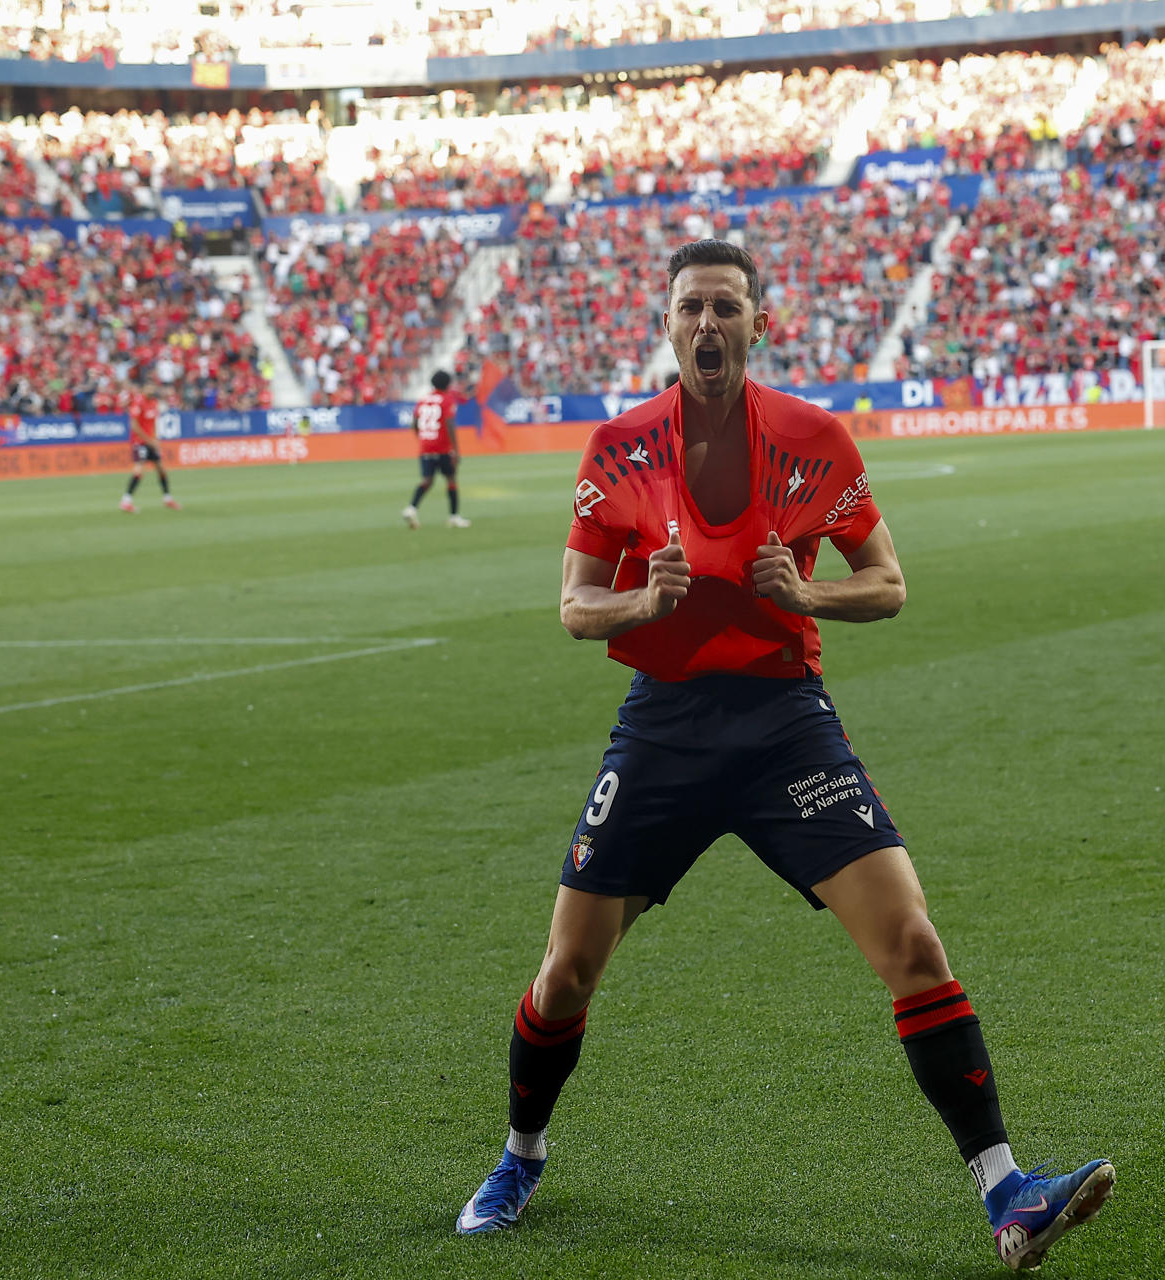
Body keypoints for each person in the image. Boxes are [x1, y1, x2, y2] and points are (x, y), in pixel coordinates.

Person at [454, 241, 1114, 1271]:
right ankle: (518, 1156)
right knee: (569, 967)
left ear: (762, 322)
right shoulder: (620, 450)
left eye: (726, 306)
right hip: (663, 725)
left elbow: (888, 581)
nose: (707, 324)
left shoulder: (813, 441)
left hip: (783, 727)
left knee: (914, 943)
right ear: (666, 325)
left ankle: (1007, 1190)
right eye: (690, 308)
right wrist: (644, 601)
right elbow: (576, 605)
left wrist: (809, 596)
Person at [403, 370, 469, 528]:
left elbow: (414, 423)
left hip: (426, 446)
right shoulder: (447, 400)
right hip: (443, 447)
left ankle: (411, 508)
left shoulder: (423, 400)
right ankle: (454, 516)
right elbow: (449, 424)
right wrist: (456, 449)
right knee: (451, 479)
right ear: (447, 384)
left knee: (427, 480)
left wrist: (422, 437)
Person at [121, 384, 179, 512]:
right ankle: (126, 501)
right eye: (149, 387)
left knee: (161, 469)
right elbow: (134, 426)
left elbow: (153, 424)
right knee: (139, 470)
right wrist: (149, 440)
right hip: (139, 442)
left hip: (151, 442)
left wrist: (155, 439)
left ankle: (167, 499)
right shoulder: (137, 403)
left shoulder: (154, 403)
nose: (152, 390)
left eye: (153, 388)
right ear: (144, 389)